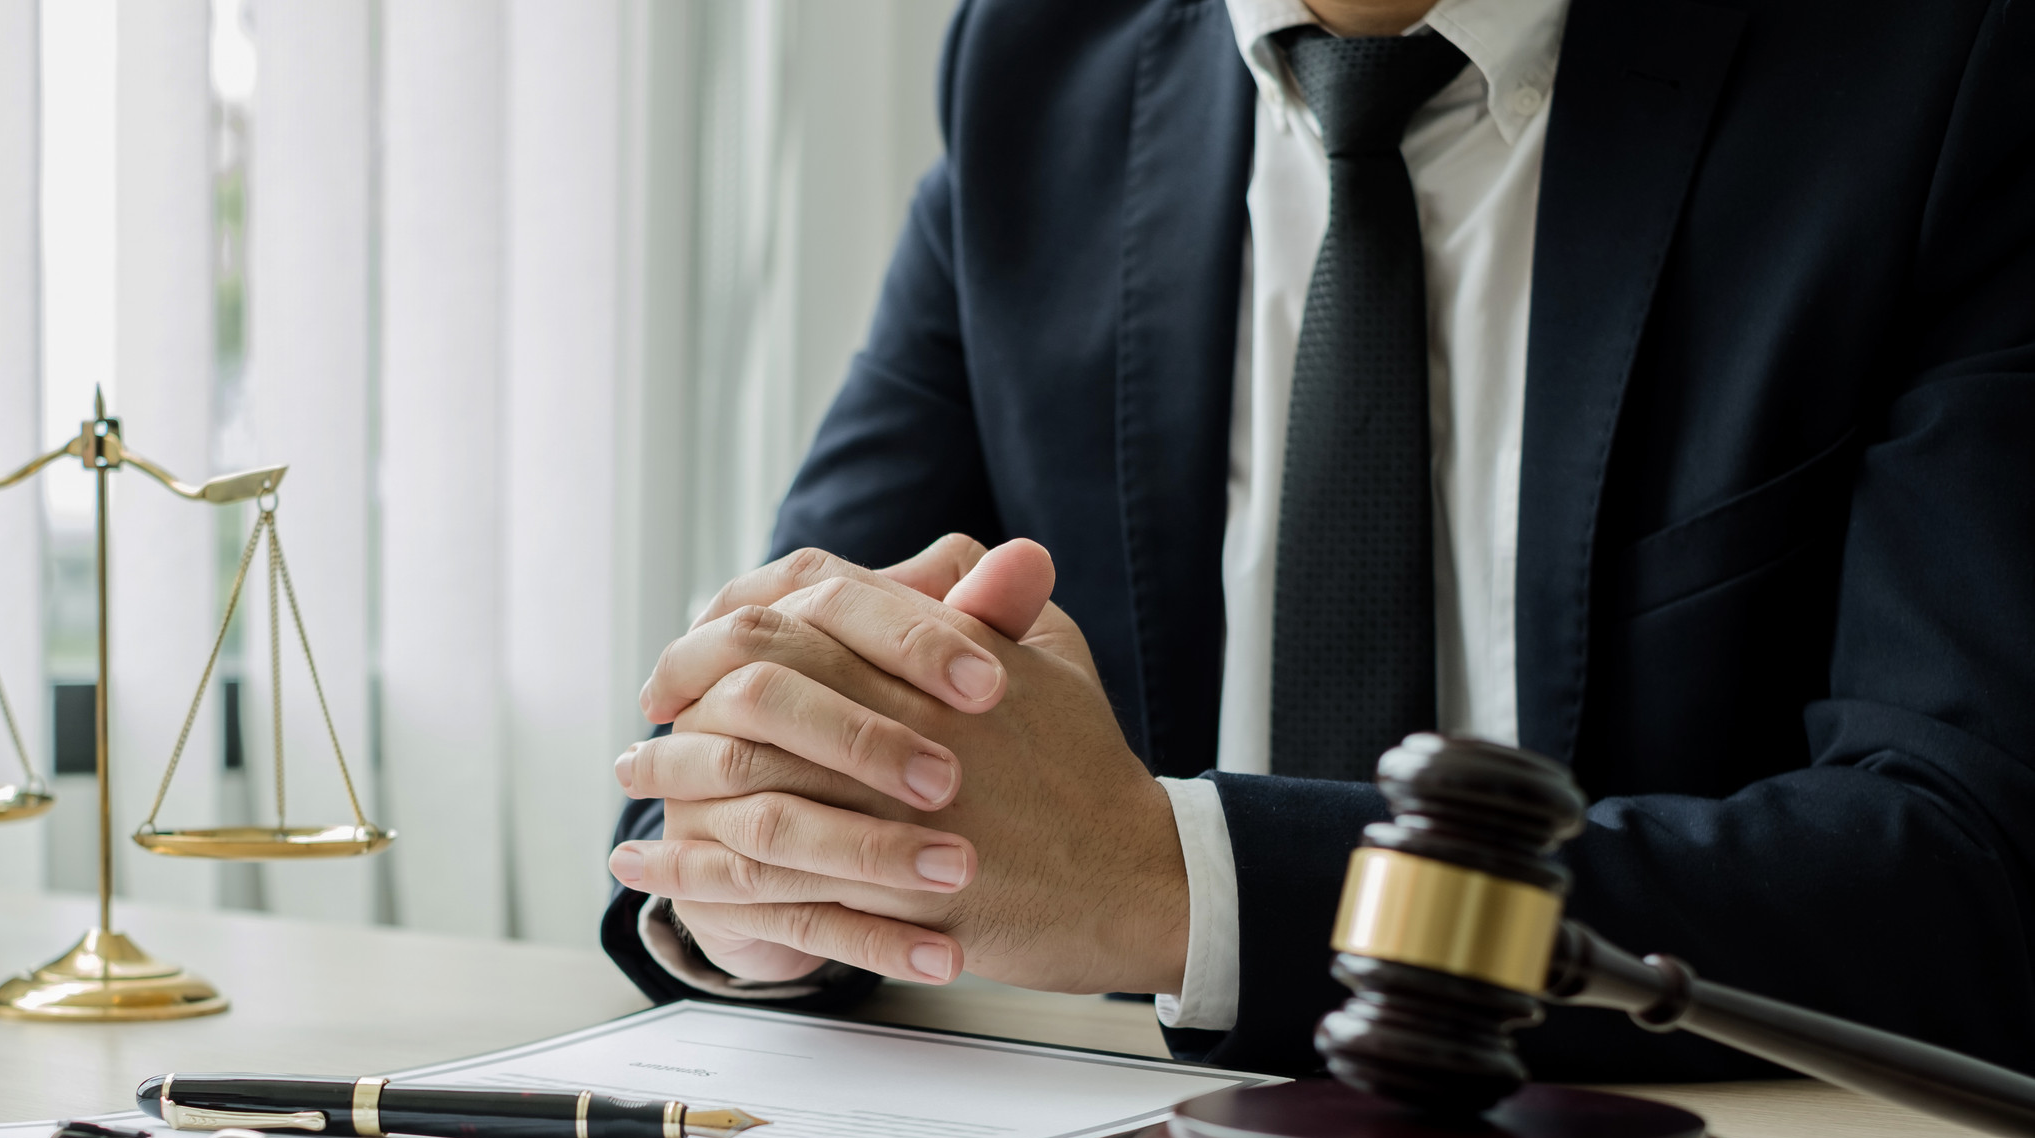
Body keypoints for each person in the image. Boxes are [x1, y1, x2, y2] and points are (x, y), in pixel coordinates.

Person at [600, 0, 2035, 1081]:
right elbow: (763, 712)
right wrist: (771, 872)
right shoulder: (1040, 60)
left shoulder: (1943, 67)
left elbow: (1966, 868)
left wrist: (1182, 887)